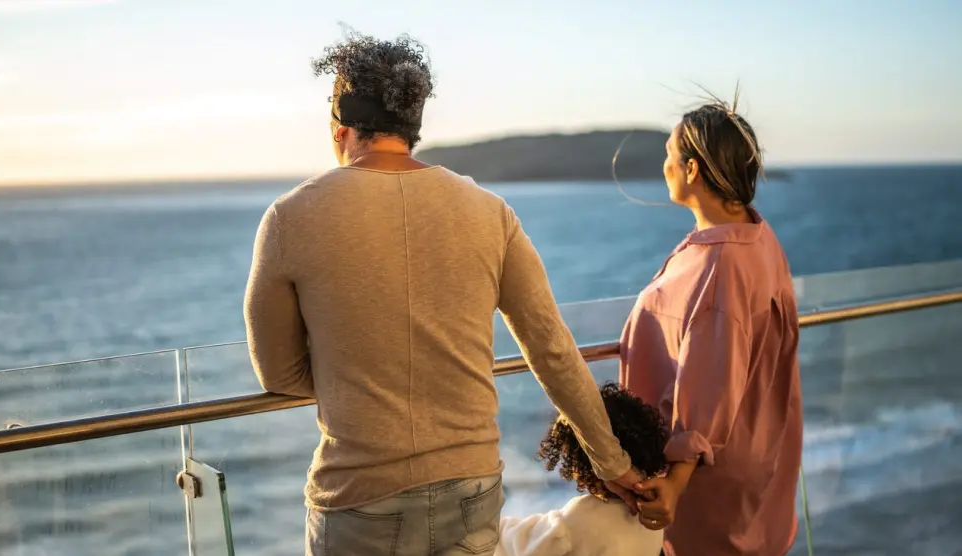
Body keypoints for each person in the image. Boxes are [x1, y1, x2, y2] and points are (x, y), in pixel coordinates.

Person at [243, 31, 643, 556]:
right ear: (411, 130)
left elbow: (277, 374)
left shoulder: (291, 217)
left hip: (360, 496)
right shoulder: (490, 212)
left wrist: (359, 376)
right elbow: (551, 348)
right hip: (471, 485)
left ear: (341, 132)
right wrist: (612, 463)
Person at [613, 97, 803, 556]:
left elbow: (710, 386)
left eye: (668, 153)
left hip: (706, 486)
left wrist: (675, 483)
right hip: (758, 457)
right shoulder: (756, 234)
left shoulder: (721, 265)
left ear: (692, 169)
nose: (664, 165)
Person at [495, 383, 667, 556]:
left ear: (579, 463)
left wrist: (495, 526)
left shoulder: (581, 517)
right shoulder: (652, 515)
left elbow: (526, 546)